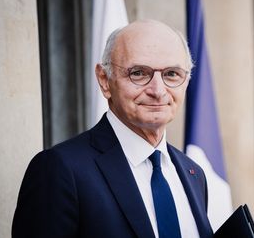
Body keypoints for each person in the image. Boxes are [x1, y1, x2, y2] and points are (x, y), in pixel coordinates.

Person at [12, 19, 213, 238]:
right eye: (138, 73)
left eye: (172, 74)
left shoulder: (193, 173)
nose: (158, 91)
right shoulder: (60, 169)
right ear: (105, 80)